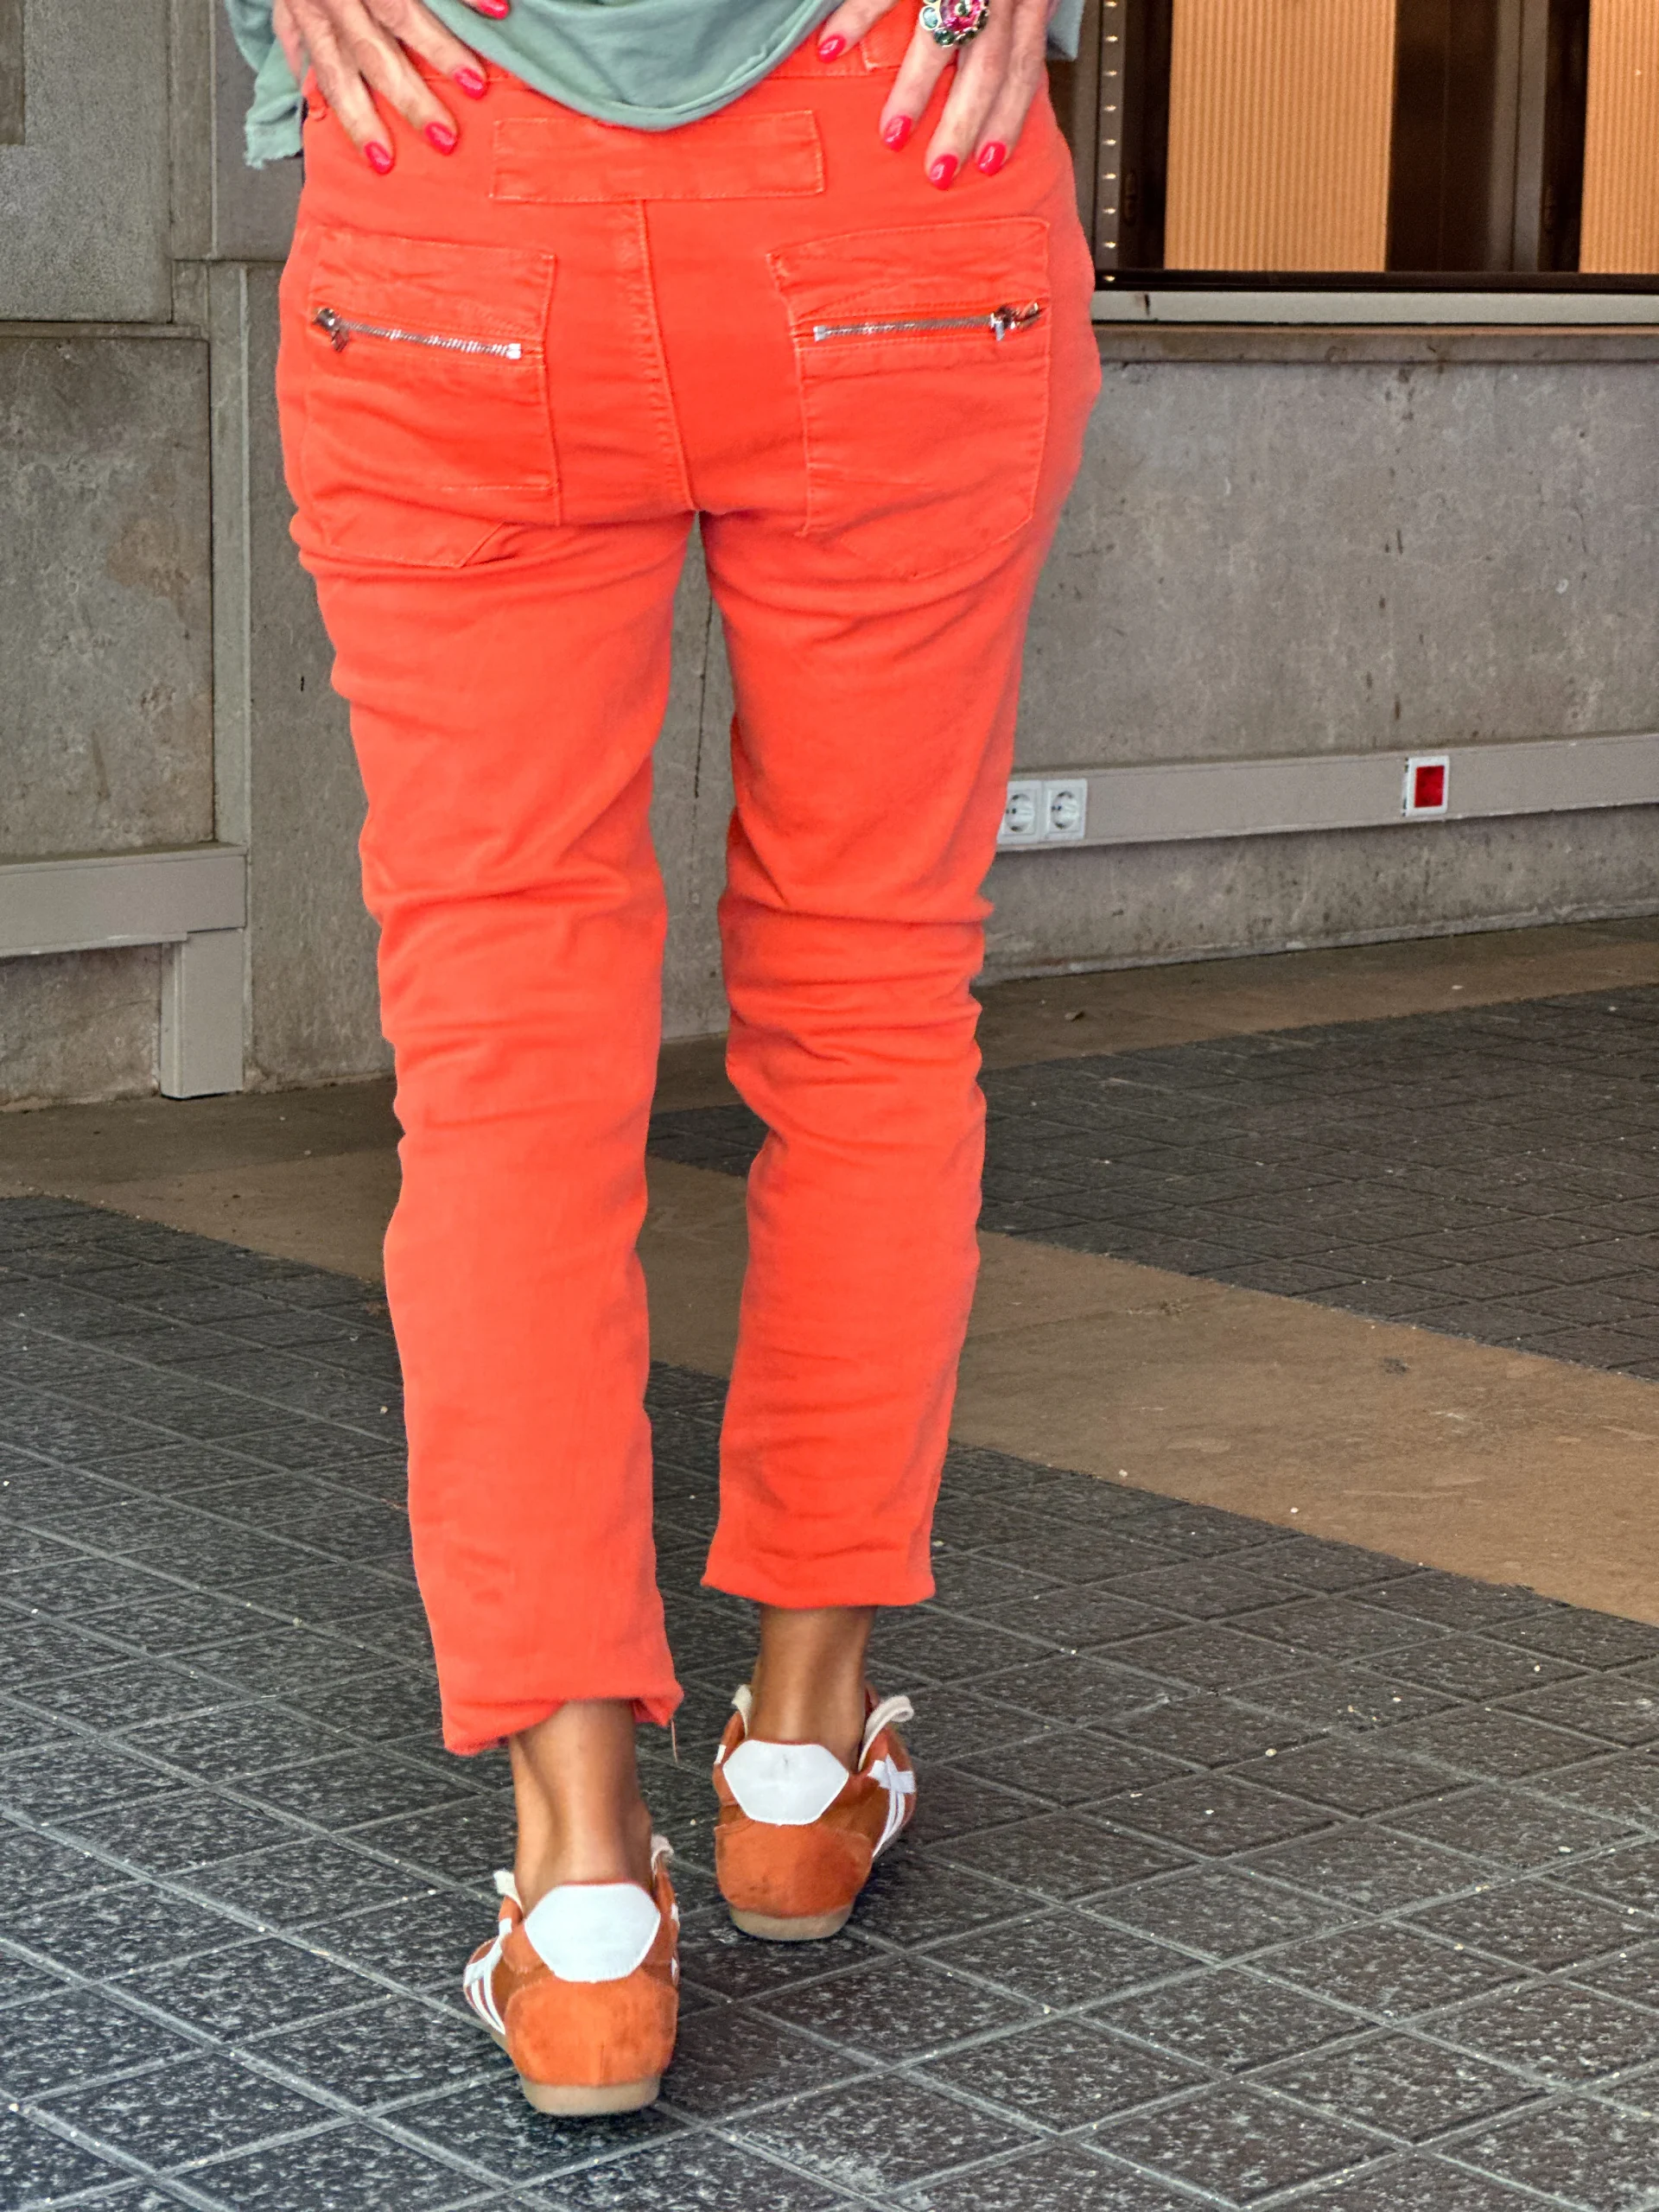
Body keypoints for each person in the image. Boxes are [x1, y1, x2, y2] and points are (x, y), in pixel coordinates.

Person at [237, 0, 1099, 2115]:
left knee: (500, 1059)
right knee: (875, 996)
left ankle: (584, 1901)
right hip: (903, 149)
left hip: (456, 163)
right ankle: (800, 1757)